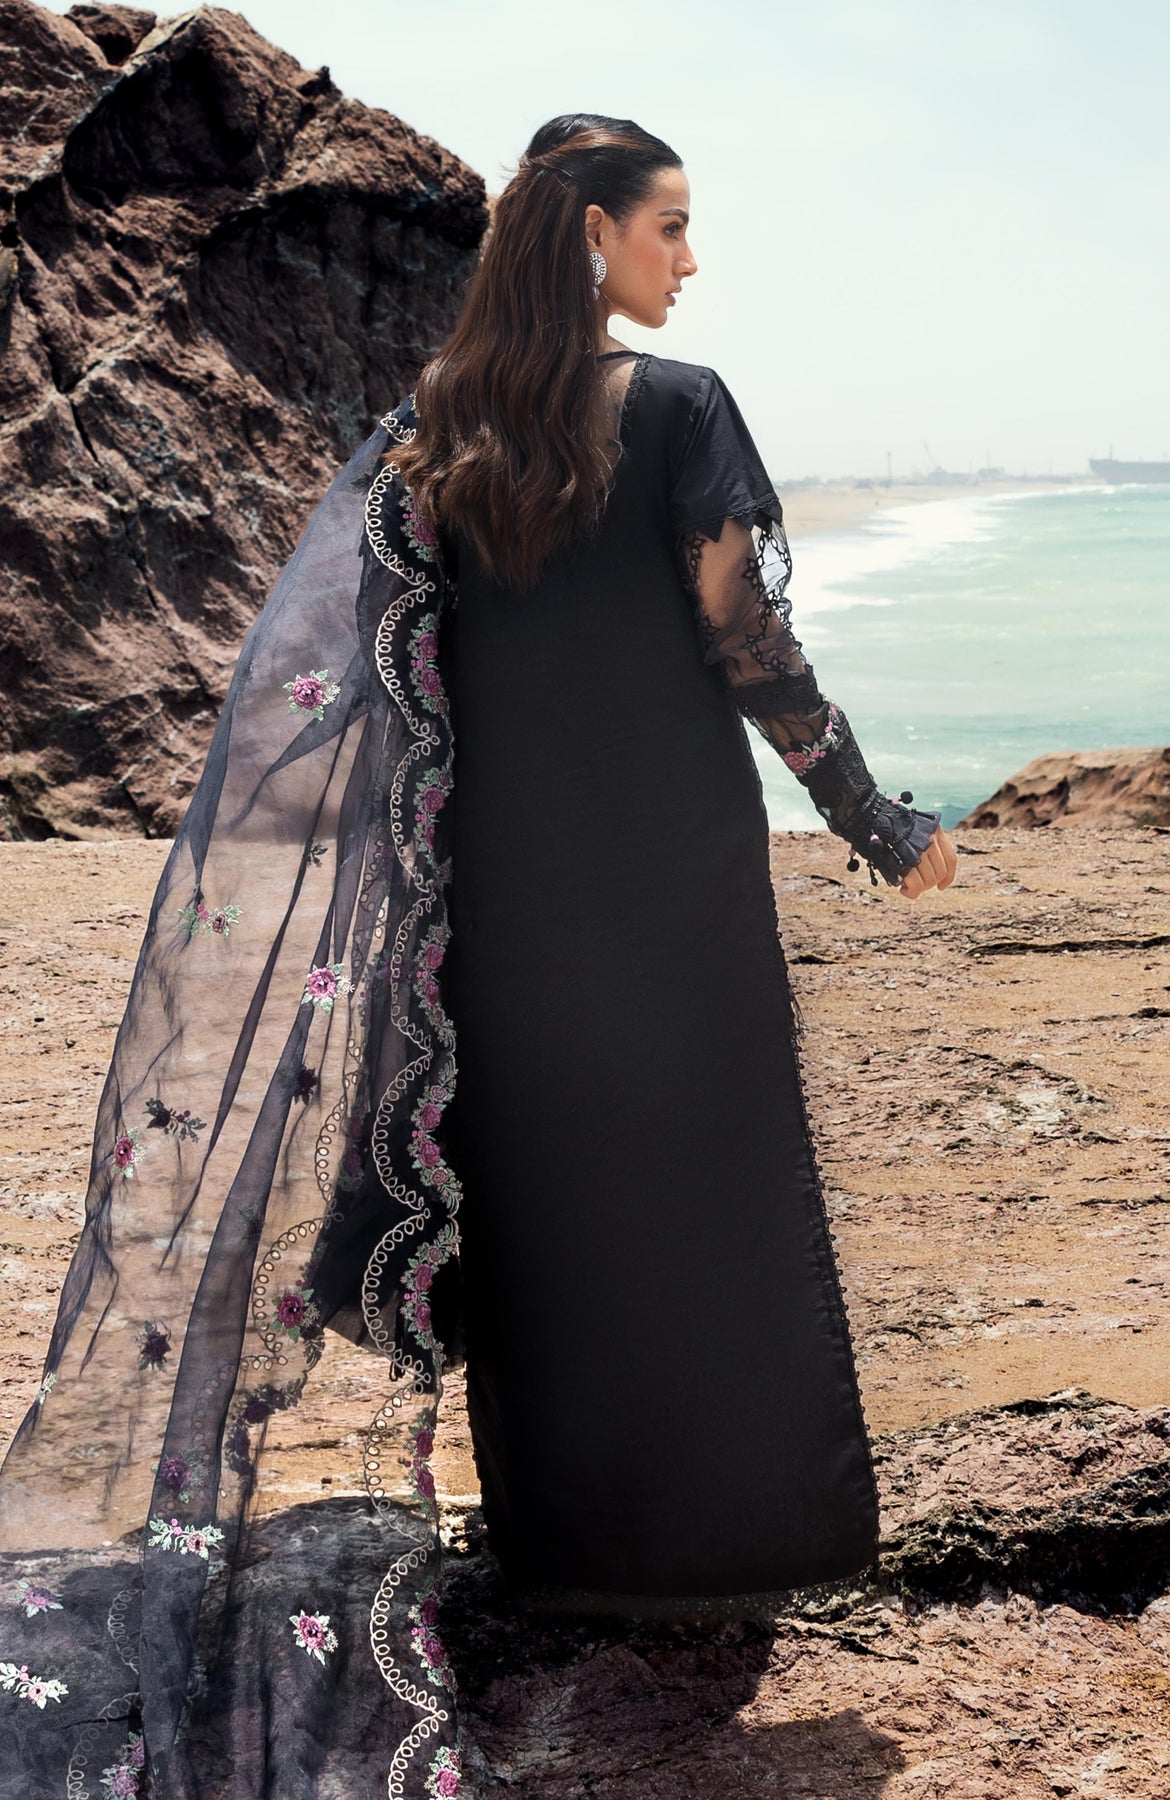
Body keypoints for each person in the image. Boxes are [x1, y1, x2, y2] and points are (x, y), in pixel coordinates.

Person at [0, 114, 955, 1798]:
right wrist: (874, 818)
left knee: (544, 1187)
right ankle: (724, 1539)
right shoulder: (676, 407)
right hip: (663, 874)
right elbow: (747, 641)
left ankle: (562, 1540)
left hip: (498, 891)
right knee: (701, 1181)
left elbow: (367, 681)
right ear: (590, 233)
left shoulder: (435, 427)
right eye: (668, 225)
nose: (687, 259)